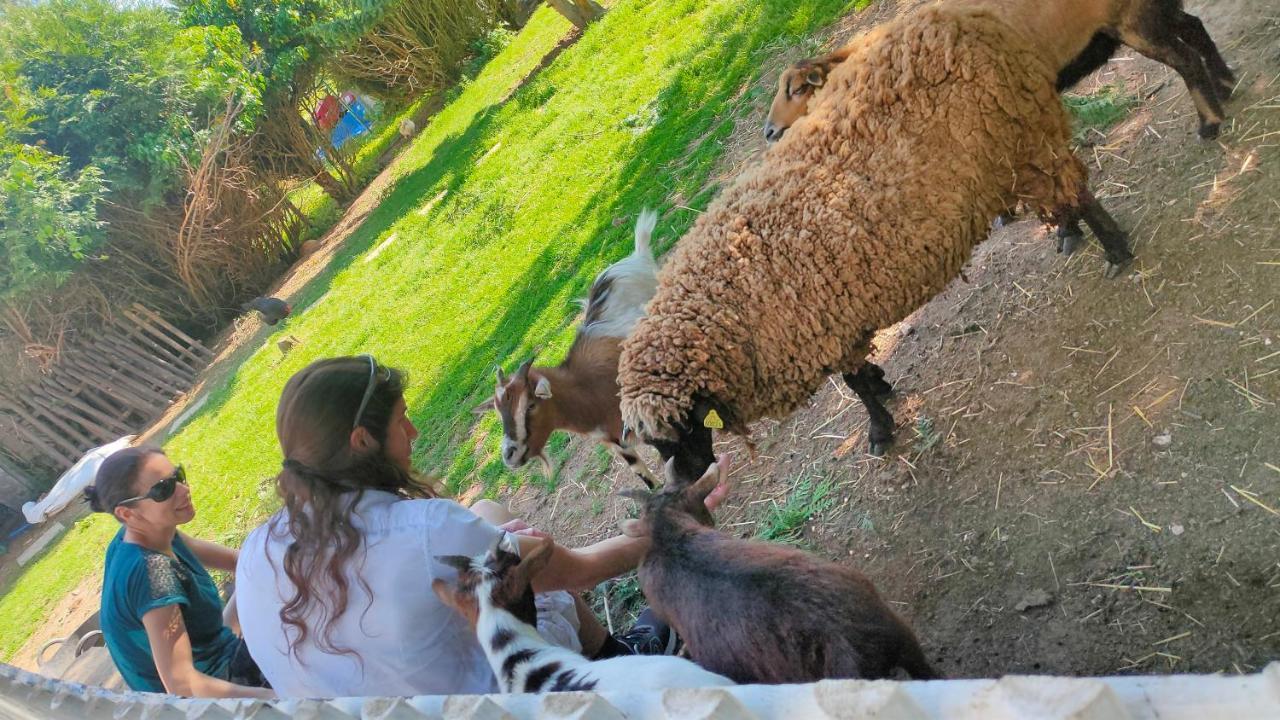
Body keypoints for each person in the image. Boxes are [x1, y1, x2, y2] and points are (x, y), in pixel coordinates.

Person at [235, 356, 712, 697]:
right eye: (403, 422)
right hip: (498, 705)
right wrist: (662, 529)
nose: (415, 434)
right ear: (362, 441)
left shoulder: (257, 549)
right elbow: (580, 570)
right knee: (525, 564)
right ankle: (614, 657)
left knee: (487, 517)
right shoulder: (423, 529)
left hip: (392, 708)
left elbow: (233, 619)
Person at [86, 447, 272, 698]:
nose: (184, 490)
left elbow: (245, 564)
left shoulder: (150, 533)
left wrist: (276, 564)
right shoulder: (153, 573)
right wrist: (283, 700)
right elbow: (183, 685)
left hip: (217, 649)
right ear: (127, 513)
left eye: (178, 477)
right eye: (163, 489)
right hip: (216, 693)